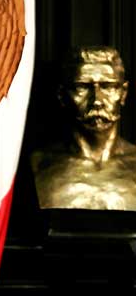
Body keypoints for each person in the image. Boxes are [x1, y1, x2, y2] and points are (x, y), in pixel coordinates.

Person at [30, 45, 136, 210]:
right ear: (62, 95)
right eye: (82, 87)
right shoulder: (36, 165)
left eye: (108, 87)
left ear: (123, 93)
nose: (97, 100)